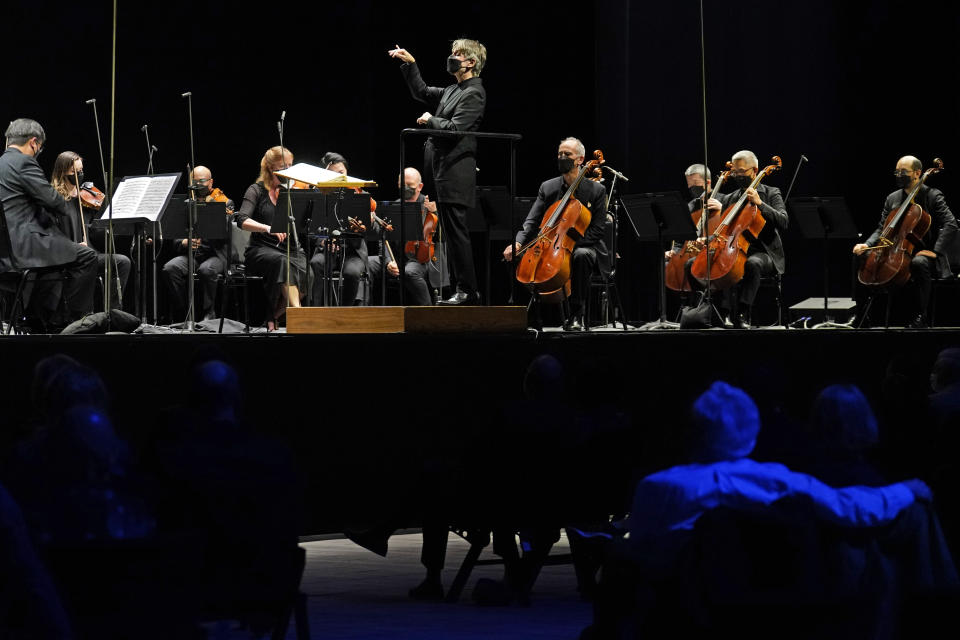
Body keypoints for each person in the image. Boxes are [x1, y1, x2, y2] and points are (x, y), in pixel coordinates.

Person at [629, 380, 931, 572]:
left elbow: (638, 559)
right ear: (752, 429)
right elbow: (850, 508)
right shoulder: (771, 479)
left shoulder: (653, 486)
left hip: (669, 613)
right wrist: (907, 489)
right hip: (748, 601)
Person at [389, 39, 487, 305]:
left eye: (458, 54)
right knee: (451, 236)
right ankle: (462, 289)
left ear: (471, 62)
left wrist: (430, 119)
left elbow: (456, 129)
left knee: (457, 235)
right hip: (443, 172)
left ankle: (468, 291)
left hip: (456, 173)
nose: (452, 57)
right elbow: (421, 91)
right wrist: (410, 63)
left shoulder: (474, 92)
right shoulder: (453, 90)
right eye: (452, 52)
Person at [0, 118, 98, 325]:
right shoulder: (23, 162)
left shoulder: (2, 163)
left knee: (54, 263)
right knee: (87, 256)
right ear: (34, 142)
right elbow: (55, 203)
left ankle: (39, 321)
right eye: (39, 148)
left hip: (5, 249)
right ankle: (69, 323)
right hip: (26, 247)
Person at [504, 137, 607, 330]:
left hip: (584, 246)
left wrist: (568, 245)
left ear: (580, 159)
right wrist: (517, 242)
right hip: (550, 243)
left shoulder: (597, 190)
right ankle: (531, 315)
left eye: (567, 154)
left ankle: (577, 315)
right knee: (516, 257)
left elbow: (598, 230)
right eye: (559, 154)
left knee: (581, 256)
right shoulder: (548, 187)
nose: (562, 157)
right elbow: (532, 221)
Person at [853, 155, 958, 327]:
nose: (898, 175)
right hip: (896, 249)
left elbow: (951, 224)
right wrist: (868, 244)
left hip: (925, 252)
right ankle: (861, 314)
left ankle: (921, 316)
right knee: (859, 255)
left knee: (918, 262)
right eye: (897, 171)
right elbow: (882, 228)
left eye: (903, 172)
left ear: (917, 173)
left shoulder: (932, 195)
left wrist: (936, 251)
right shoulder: (892, 198)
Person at [704, 150, 788, 327]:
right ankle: (723, 313)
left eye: (741, 171)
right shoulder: (730, 198)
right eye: (735, 172)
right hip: (736, 248)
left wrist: (760, 204)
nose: (737, 175)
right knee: (721, 261)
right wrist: (706, 240)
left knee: (752, 263)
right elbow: (724, 231)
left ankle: (743, 312)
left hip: (765, 252)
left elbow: (783, 221)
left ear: (755, 170)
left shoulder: (771, 193)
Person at [233, 146, 306, 329]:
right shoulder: (256, 190)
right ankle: (298, 313)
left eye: (290, 165)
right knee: (283, 262)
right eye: (283, 167)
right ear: (270, 169)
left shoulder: (293, 191)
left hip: (290, 248)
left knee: (309, 270)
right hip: (261, 249)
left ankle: (273, 316)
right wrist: (267, 228)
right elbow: (242, 220)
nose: (288, 170)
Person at [49, 150, 131, 309]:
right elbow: (52, 235)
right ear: (62, 172)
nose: (79, 175)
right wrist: (74, 247)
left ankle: (113, 314)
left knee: (122, 262)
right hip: (69, 255)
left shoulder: (86, 199)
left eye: (81, 171)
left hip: (91, 254)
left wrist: (109, 224)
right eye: (74, 172)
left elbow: (95, 232)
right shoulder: (55, 199)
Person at [162, 165, 235, 321]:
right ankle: (184, 314)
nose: (198, 185)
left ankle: (209, 313)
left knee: (206, 270)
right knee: (170, 268)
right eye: (195, 181)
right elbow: (175, 233)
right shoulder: (186, 204)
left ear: (211, 181)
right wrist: (183, 242)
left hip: (216, 254)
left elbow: (226, 234)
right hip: (192, 254)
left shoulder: (224, 202)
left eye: (202, 181)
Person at [367, 167, 447, 305]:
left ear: (420, 186)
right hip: (397, 257)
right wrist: (388, 262)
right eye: (402, 185)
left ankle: (427, 312)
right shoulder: (394, 207)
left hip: (424, 259)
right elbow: (384, 238)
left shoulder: (430, 206)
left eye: (410, 185)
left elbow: (444, 236)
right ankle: (364, 311)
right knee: (366, 263)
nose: (405, 188)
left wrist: (437, 214)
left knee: (409, 272)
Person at [310, 152, 373, 306]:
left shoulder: (361, 195)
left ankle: (346, 313)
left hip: (354, 252)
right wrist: (323, 241)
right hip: (328, 250)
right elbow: (310, 228)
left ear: (347, 172)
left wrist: (368, 223)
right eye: (332, 174)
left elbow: (372, 231)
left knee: (351, 273)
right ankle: (316, 311)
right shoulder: (319, 195)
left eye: (341, 173)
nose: (338, 177)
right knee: (316, 263)